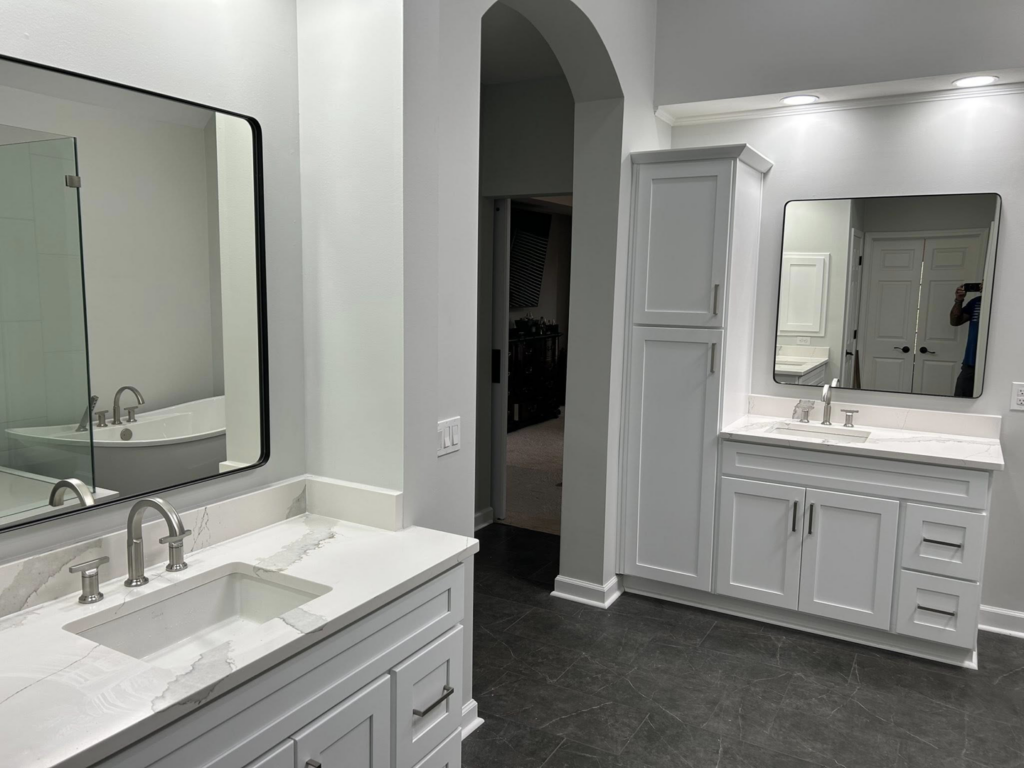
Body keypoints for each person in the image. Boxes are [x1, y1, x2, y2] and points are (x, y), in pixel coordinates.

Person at [949, 283, 982, 397]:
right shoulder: (975, 302)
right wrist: (959, 300)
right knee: (960, 399)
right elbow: (955, 321)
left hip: (996, 365)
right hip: (970, 362)